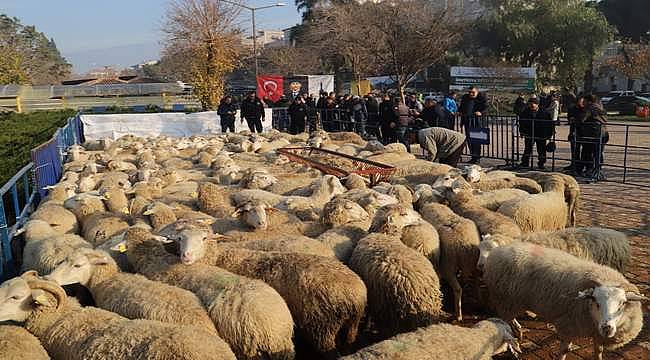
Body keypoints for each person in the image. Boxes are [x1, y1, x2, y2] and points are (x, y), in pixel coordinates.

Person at [577, 94, 609, 180]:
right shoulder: (601, 107)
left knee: (587, 152)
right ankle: (598, 170)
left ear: (589, 101)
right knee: (598, 153)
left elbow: (582, 119)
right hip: (603, 133)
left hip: (592, 134)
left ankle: (590, 170)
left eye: (585, 101)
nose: (583, 102)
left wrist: (576, 119)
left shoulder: (590, 108)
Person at [518, 97, 554, 169]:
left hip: (541, 134)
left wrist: (550, 133)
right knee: (528, 148)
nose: (532, 105)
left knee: (541, 149)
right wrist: (522, 132)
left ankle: (541, 163)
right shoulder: (525, 112)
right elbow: (521, 123)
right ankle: (525, 162)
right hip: (529, 133)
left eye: (534, 103)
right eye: (530, 103)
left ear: (537, 104)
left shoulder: (544, 112)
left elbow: (550, 124)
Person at [459, 86, 488, 164]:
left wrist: (480, 112)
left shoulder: (482, 97)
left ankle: (477, 157)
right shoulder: (465, 97)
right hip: (467, 121)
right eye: (469, 92)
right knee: (469, 140)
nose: (471, 94)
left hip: (477, 121)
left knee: (476, 140)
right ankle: (473, 156)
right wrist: (459, 112)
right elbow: (461, 107)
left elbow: (485, 107)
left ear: (477, 92)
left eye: (473, 92)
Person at [565, 96, 586, 171]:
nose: (581, 103)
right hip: (574, 131)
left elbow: (583, 119)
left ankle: (582, 166)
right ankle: (574, 164)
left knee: (585, 151)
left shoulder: (585, 109)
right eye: (579, 102)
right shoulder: (572, 108)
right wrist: (571, 119)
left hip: (584, 132)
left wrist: (576, 119)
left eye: (582, 102)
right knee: (574, 149)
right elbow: (570, 118)